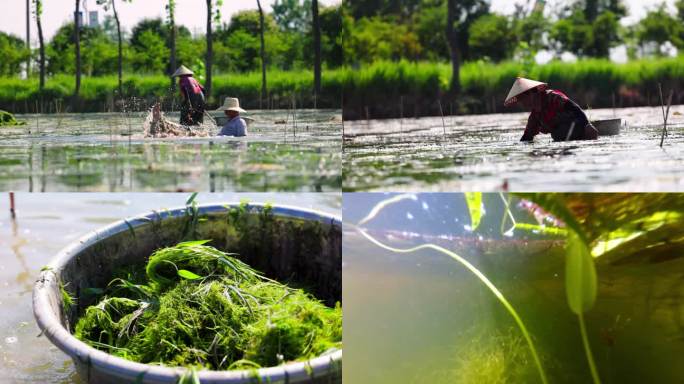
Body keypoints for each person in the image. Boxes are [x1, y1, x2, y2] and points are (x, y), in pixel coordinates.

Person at [504, 77, 598, 142]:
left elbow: (576, 110)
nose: (522, 103)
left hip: (579, 128)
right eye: (520, 100)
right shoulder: (535, 116)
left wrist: (587, 125)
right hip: (563, 139)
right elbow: (527, 137)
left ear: (532, 94)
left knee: (558, 133)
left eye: (523, 99)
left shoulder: (554, 98)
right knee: (557, 134)